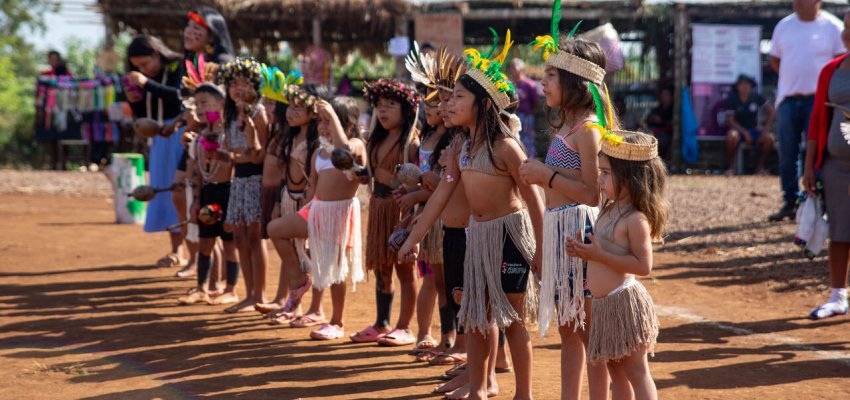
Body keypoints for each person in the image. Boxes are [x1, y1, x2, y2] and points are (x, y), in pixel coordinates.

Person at [399, 29, 545, 400]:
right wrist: (414, 239)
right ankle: (479, 387)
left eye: (458, 98)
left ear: (482, 103)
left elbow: (533, 199)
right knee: (476, 315)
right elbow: (440, 196)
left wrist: (542, 250)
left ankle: (524, 394)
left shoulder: (506, 146)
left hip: (510, 237)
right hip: (476, 235)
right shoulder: (462, 145)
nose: (448, 104)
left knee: (510, 319)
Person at [522, 15, 613, 399]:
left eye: (550, 76)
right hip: (562, 229)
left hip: (580, 230)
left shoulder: (589, 129)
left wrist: (546, 176)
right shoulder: (568, 126)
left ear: (575, 83)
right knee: (569, 327)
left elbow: (594, 194)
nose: (542, 82)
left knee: (588, 329)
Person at [567, 131, 666, 400]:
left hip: (624, 304)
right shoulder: (608, 210)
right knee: (616, 372)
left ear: (630, 177)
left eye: (606, 173)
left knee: (636, 371)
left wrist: (598, 255)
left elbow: (643, 266)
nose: (599, 179)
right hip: (603, 305)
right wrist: (583, 250)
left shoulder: (635, 220)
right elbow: (602, 251)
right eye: (600, 172)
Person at [267, 96, 367, 340]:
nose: (323, 126)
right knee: (275, 228)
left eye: (329, 121)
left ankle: (337, 322)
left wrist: (332, 114)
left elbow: (346, 152)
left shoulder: (355, 144)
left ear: (350, 124)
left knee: (334, 270)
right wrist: (306, 214)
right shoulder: (319, 152)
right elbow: (313, 188)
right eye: (321, 121)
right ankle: (298, 277)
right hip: (316, 210)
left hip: (338, 214)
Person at [348, 79, 421, 347]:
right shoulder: (376, 139)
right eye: (379, 106)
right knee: (381, 267)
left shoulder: (411, 142)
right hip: (378, 207)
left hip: (401, 210)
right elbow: (373, 171)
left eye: (391, 105)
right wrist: (365, 176)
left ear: (406, 109)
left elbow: (417, 180)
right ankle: (382, 323)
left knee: (404, 269)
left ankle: (405, 326)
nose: (383, 111)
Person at [768, 0, 844, 221]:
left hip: (820, 102)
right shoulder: (783, 26)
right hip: (788, 99)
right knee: (787, 152)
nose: (798, 1)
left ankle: (819, 200)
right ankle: (790, 201)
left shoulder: (833, 26)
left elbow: (841, 63)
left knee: (821, 152)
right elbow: (775, 60)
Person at [266, 83, 329, 328]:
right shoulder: (290, 135)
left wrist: (310, 199)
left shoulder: (319, 140)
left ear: (314, 112)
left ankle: (317, 309)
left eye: (298, 108)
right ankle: (295, 303)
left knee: (315, 252)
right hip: (288, 198)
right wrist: (279, 202)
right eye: (290, 106)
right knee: (292, 246)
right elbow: (285, 173)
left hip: (310, 200)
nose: (290, 112)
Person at [802, 11, 850, 320]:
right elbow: (818, 120)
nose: (848, 33)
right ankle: (838, 297)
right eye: (847, 27)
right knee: (840, 231)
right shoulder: (831, 70)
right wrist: (809, 166)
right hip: (834, 167)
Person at [126, 35, 188, 268]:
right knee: (164, 191)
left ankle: (197, 253)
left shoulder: (179, 65)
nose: (143, 69)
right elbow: (143, 111)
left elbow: (179, 96)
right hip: (159, 139)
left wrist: (146, 83)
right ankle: (177, 250)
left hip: (180, 133)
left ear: (157, 54)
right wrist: (134, 100)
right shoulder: (146, 78)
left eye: (145, 63)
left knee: (182, 190)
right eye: (137, 66)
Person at [178, 83, 241, 305]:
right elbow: (195, 172)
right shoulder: (199, 137)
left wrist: (223, 155)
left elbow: (238, 164)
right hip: (208, 193)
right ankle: (201, 288)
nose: (200, 108)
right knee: (206, 242)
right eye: (196, 104)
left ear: (222, 104)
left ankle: (231, 289)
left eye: (205, 102)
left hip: (230, 192)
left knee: (230, 243)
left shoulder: (232, 134)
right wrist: (195, 202)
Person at [217, 58, 270, 313]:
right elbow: (230, 149)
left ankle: (258, 295)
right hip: (238, 181)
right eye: (234, 84)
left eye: (245, 84)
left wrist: (239, 154)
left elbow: (261, 154)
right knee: (239, 236)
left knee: (254, 236)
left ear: (256, 87)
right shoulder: (228, 114)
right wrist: (238, 155)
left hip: (257, 180)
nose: (239, 89)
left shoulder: (258, 112)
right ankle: (248, 294)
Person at [724, 75, 776, 175]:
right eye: (742, 84)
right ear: (737, 86)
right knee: (731, 136)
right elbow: (730, 121)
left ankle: (760, 167)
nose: (744, 86)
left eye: (747, 84)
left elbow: (771, 112)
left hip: (753, 131)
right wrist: (744, 132)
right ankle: (731, 167)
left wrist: (766, 127)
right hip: (739, 131)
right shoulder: (732, 99)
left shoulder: (756, 97)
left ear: (751, 86)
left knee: (770, 139)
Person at [509, 58, 540, 159]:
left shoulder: (530, 85)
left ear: (521, 69)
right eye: (511, 67)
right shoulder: (509, 84)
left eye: (514, 67)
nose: (512, 70)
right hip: (513, 116)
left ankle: (529, 159)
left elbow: (535, 101)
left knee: (527, 139)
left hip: (526, 117)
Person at [645, 87, 673, 162]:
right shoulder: (658, 108)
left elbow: (673, 124)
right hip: (654, 132)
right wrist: (652, 119)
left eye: (666, 95)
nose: (664, 97)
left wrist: (661, 121)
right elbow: (647, 119)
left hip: (666, 134)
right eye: (662, 95)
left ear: (671, 96)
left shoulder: (673, 109)